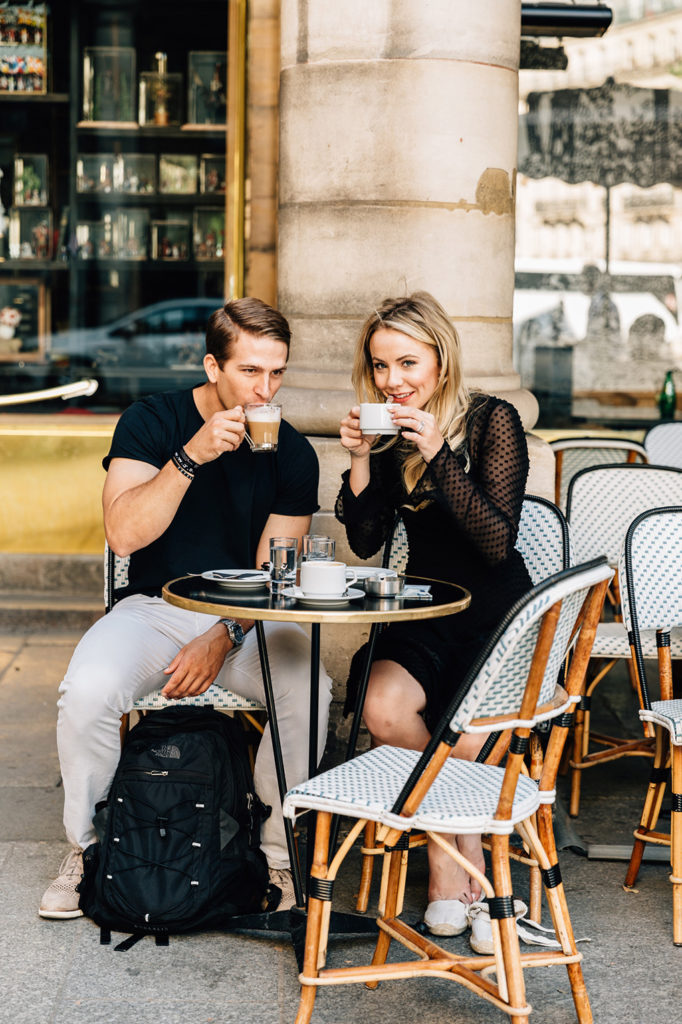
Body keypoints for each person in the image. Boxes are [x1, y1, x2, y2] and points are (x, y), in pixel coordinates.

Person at [39, 296, 332, 919]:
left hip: (247, 619)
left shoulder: (294, 453)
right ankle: (90, 852)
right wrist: (192, 456)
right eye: (250, 372)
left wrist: (225, 633)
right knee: (87, 690)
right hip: (154, 608)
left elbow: (273, 573)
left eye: (277, 373)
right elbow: (123, 534)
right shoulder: (151, 421)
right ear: (211, 367)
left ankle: (276, 852)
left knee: (310, 690)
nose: (265, 388)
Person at [336, 291, 532, 944]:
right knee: (384, 710)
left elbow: (496, 542)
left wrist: (440, 450)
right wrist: (362, 456)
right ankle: (465, 853)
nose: (393, 381)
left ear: (441, 362)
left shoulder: (490, 422)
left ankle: (444, 874)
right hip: (425, 612)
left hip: (495, 621)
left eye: (407, 363)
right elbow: (365, 540)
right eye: (381, 366)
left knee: (466, 740)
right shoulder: (390, 438)